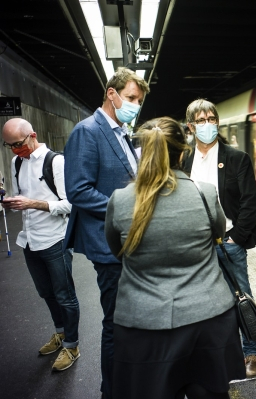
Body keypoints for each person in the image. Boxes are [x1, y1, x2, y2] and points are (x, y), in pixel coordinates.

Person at [105, 117, 244, 399]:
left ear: (143, 154)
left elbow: (116, 250)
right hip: (209, 322)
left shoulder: (119, 200)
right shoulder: (204, 194)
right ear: (183, 152)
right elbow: (218, 234)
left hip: (144, 327)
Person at [63, 67, 149, 398]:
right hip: (109, 245)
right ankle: (112, 391)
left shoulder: (122, 132)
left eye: (138, 101)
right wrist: (129, 209)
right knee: (115, 324)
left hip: (127, 242)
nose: (134, 105)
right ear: (110, 94)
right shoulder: (88, 131)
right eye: (130, 98)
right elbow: (79, 191)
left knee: (127, 321)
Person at [181, 98, 256, 378]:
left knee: (241, 296)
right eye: (201, 121)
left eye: (211, 119)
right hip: (196, 245)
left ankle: (251, 352)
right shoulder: (184, 160)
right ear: (191, 126)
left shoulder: (236, 158)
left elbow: (251, 202)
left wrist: (236, 238)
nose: (208, 125)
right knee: (202, 301)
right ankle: (213, 353)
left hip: (228, 243)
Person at [1, 118, 80, 371]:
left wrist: (33, 203)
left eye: (18, 144)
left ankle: (72, 345)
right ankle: (60, 334)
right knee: (46, 293)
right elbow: (23, 199)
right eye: (9, 145)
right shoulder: (17, 162)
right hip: (30, 241)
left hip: (55, 240)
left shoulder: (56, 162)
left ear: (32, 135)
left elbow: (71, 204)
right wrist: (11, 202)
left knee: (65, 296)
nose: (15, 150)